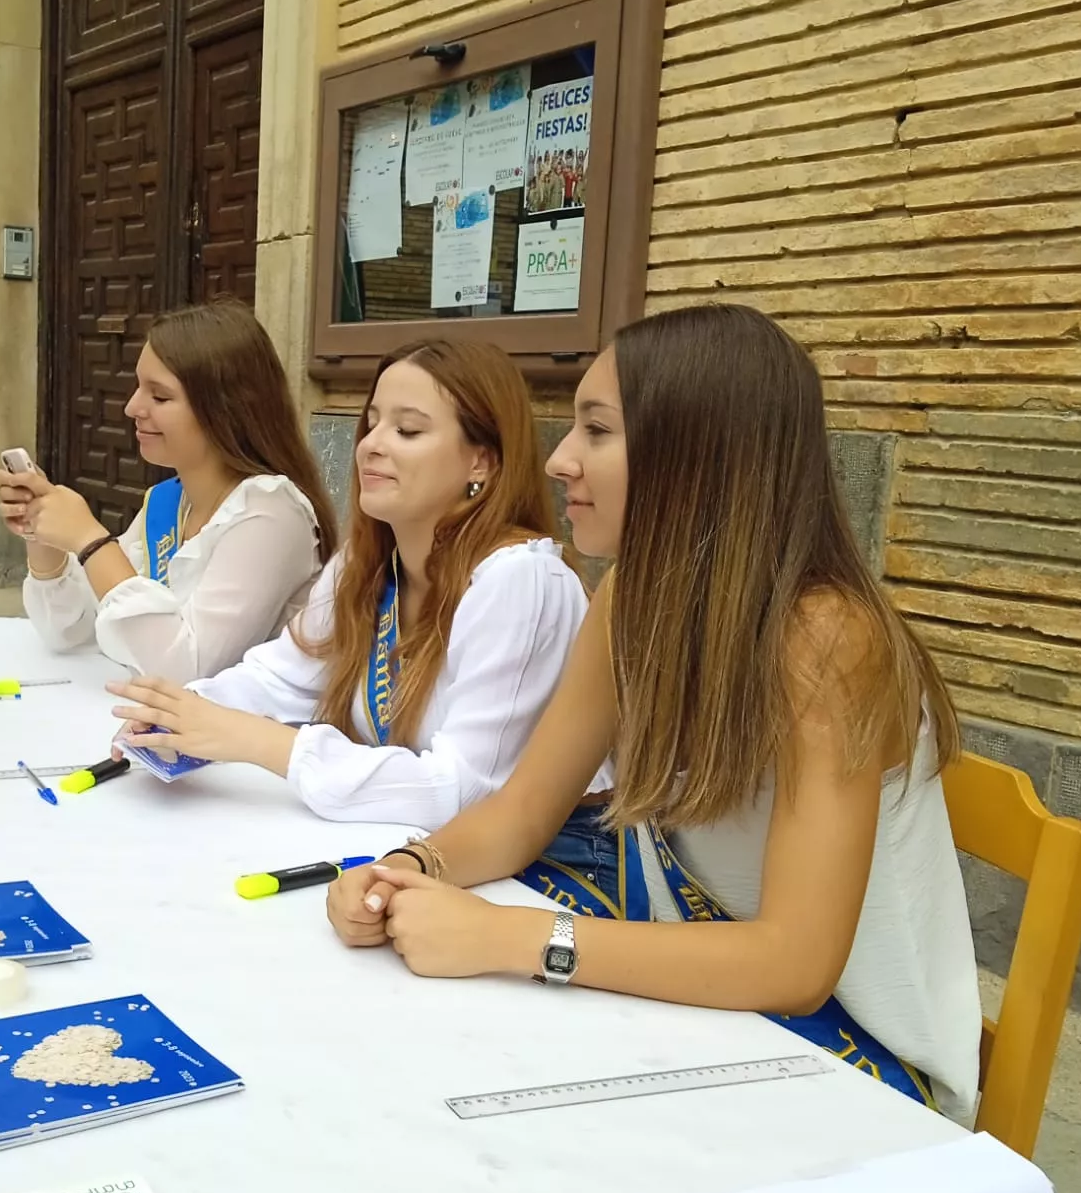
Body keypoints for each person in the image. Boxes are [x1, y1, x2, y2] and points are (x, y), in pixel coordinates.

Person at [327, 303, 983, 1126]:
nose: (561, 460)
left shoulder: (828, 639)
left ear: (699, 456)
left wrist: (509, 939)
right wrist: (411, 870)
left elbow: (795, 964)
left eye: (597, 431)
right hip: (695, 977)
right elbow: (527, 809)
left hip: (854, 1060)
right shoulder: (632, 594)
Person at [110, 337, 593, 826]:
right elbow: (279, 678)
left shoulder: (521, 579)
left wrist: (252, 739)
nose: (371, 444)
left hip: (553, 870)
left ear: (481, 463)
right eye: (372, 422)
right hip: (411, 850)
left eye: (406, 430)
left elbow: (465, 791)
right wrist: (179, 716)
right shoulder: (364, 565)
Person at [0, 302, 336, 681]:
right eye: (138, 388)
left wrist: (89, 540)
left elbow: (186, 671)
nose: (131, 408)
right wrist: (43, 535)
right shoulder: (170, 500)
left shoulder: (270, 513)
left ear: (226, 408)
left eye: (159, 396)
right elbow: (73, 633)